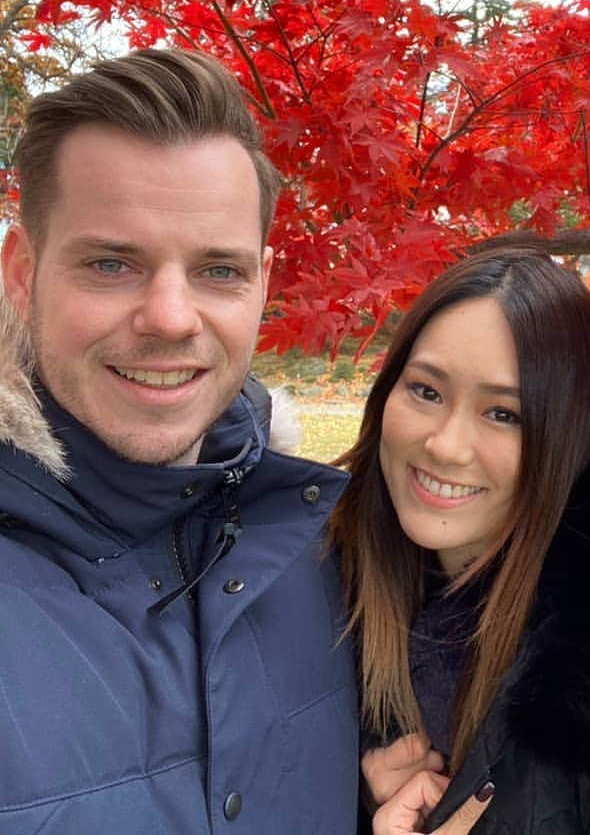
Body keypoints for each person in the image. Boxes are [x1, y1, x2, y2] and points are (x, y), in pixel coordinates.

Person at [0, 49, 359, 832]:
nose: (170, 317)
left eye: (218, 271)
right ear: (22, 274)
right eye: (110, 263)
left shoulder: (323, 553)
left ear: (262, 282)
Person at [329, 248, 590, 834]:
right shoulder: (322, 596)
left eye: (505, 415)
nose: (447, 445)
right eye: (426, 391)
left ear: (569, 444)